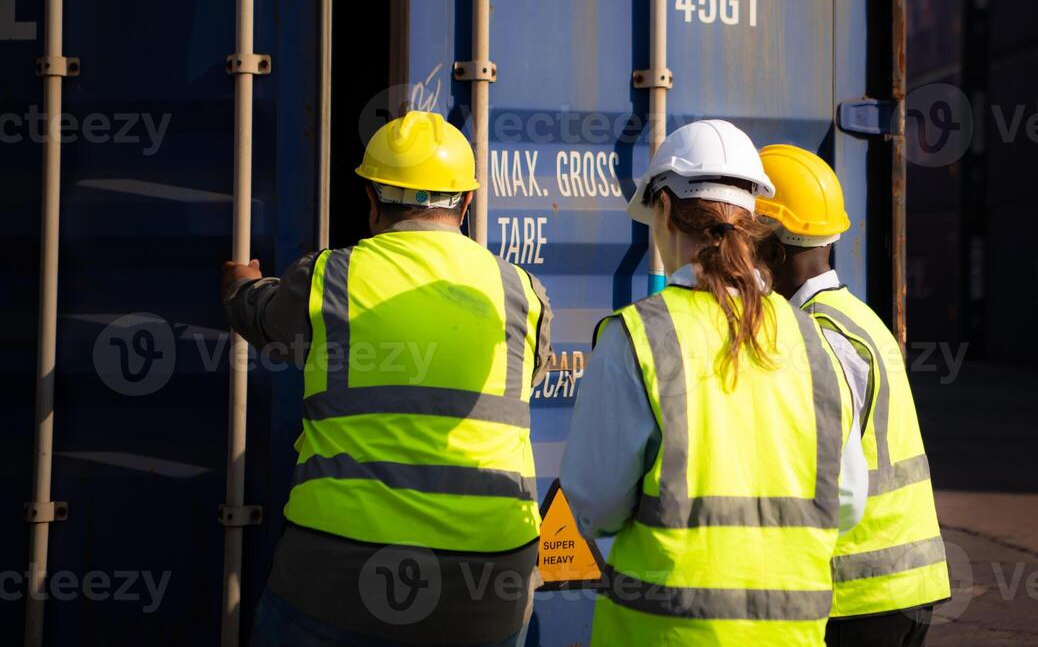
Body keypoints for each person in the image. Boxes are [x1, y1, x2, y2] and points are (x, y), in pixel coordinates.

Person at [221, 111, 553, 647]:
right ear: (466, 203)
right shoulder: (522, 292)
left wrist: (240, 287)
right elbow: (526, 375)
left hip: (338, 574)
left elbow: (263, 318)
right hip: (489, 583)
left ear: (372, 201)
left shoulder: (330, 277)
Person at [560, 119, 874, 645]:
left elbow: (594, 502)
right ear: (754, 218)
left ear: (662, 210)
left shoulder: (637, 337)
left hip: (665, 633)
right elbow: (847, 501)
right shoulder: (813, 340)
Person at [756, 145, 949, 647]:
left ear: (774, 253)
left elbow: (827, 471)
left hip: (859, 594)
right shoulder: (861, 318)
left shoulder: (813, 336)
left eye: (749, 244)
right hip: (902, 581)